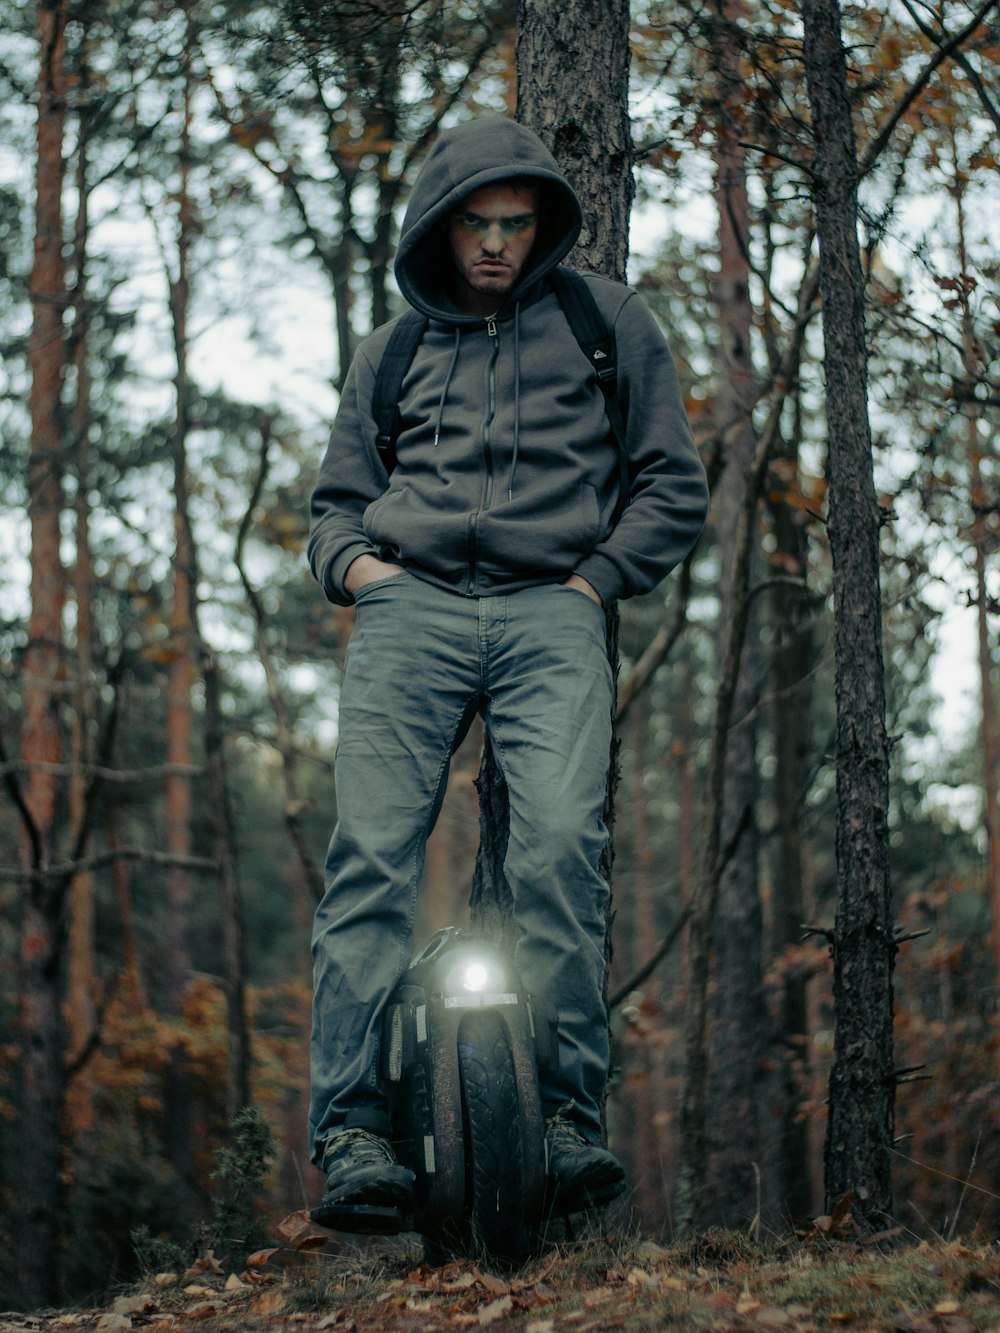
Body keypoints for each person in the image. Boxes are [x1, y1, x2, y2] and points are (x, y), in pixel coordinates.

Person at [307, 116, 708, 1234]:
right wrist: (364, 574)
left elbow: (671, 479)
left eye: (514, 225)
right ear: (442, 227)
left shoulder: (604, 319)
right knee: (370, 860)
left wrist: (595, 582)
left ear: (541, 227)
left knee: (560, 853)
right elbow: (334, 502)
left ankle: (569, 1117)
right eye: (476, 225)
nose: (494, 245)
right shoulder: (392, 348)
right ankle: (350, 1134)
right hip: (412, 608)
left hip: (550, 606)